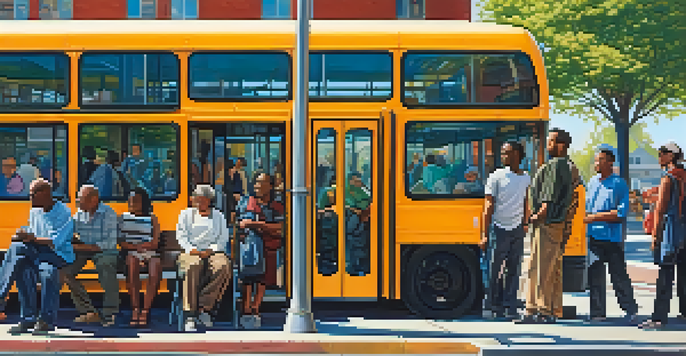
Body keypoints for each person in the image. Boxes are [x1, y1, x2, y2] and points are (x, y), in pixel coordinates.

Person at [517, 128, 582, 324]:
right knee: (553, 268)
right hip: (558, 223)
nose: (548, 145)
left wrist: (535, 217)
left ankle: (537, 310)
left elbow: (548, 199)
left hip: (547, 222)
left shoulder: (556, 165)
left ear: (562, 145)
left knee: (539, 268)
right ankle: (552, 310)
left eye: (552, 141)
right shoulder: (570, 166)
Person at [0, 178, 74, 335]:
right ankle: (28, 319)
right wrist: (21, 234)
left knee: (47, 270)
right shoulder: (34, 211)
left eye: (33, 195)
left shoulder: (64, 212)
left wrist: (31, 239)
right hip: (38, 253)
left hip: (57, 254)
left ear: (45, 194)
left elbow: (57, 241)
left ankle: (45, 320)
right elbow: (31, 229)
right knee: (22, 264)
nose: (30, 198)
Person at [584, 149, 639, 323]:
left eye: (600, 160)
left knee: (619, 276)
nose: (596, 163)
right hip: (593, 237)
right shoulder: (592, 182)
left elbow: (620, 213)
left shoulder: (619, 183)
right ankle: (597, 313)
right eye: (596, 160)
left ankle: (630, 309)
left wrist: (594, 217)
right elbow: (586, 209)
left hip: (613, 239)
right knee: (595, 276)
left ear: (610, 163)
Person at [480, 142, 531, 320]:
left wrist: (525, 224)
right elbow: (488, 205)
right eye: (502, 153)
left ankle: (510, 306)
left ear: (517, 154)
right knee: (495, 270)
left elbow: (527, 202)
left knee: (514, 270)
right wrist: (484, 235)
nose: (503, 156)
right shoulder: (496, 177)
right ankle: (494, 306)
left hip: (517, 229)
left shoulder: (526, 178)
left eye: (506, 153)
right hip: (498, 228)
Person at [640, 142, 686, 330]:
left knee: (665, 275)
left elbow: (660, 209)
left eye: (662, 154)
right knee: (684, 274)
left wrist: (655, 236)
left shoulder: (668, 178)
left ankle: (659, 317)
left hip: (671, 232)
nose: (659, 157)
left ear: (671, 156)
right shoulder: (683, 176)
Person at [61, 185, 120, 326]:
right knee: (64, 270)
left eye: (80, 199)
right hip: (84, 250)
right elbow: (68, 231)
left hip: (104, 250)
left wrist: (79, 246)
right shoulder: (80, 213)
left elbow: (109, 243)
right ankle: (88, 311)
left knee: (106, 265)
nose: (77, 202)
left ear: (94, 200)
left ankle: (110, 312)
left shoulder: (109, 213)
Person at [176, 185, 231, 332]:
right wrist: (191, 249)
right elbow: (181, 236)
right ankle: (190, 314)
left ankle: (204, 307)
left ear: (209, 201)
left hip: (212, 251)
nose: (198, 202)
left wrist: (210, 250)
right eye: (196, 199)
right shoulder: (186, 214)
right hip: (191, 252)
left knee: (223, 266)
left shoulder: (218, 216)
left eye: (202, 200)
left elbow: (222, 239)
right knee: (193, 266)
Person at [236, 173, 284, 329]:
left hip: (268, 246)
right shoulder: (245, 202)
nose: (258, 186)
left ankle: (256, 307)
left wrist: (257, 225)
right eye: (256, 182)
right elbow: (236, 222)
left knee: (264, 274)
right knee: (247, 275)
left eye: (262, 183)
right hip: (249, 246)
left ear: (270, 186)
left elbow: (281, 229)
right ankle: (246, 309)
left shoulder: (277, 206)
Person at [119, 188, 161, 327]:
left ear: (143, 202)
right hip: (131, 251)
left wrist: (143, 248)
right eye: (130, 200)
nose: (132, 203)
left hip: (148, 251)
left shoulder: (152, 218)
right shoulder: (123, 218)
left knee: (155, 266)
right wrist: (135, 248)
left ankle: (145, 310)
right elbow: (121, 242)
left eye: (135, 200)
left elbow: (155, 242)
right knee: (132, 263)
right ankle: (135, 308)